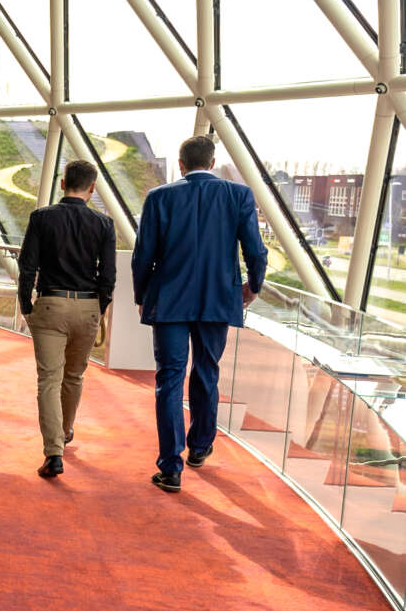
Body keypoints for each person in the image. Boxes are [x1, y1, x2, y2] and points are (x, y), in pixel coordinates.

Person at [131, 134, 268, 493]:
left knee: (169, 379)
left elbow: (143, 255)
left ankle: (170, 467)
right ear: (212, 163)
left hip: (169, 301)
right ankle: (200, 447)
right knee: (207, 371)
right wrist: (253, 287)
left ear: (181, 164)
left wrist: (142, 295)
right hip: (218, 300)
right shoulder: (239, 195)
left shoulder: (159, 197)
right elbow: (256, 251)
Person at [17, 159, 116, 479]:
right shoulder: (104, 224)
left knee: (48, 380)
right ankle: (66, 430)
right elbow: (108, 275)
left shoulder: (41, 218)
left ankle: (54, 452)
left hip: (50, 305)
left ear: (62, 183)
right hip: (87, 307)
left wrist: (26, 304)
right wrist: (99, 307)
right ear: (92, 188)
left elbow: (27, 266)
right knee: (73, 376)